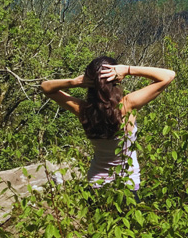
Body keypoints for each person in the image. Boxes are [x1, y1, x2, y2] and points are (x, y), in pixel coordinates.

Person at [40, 56, 175, 193]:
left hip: (95, 185)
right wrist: (127, 69)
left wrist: (75, 82)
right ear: (116, 80)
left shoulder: (83, 110)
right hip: (126, 186)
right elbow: (168, 75)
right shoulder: (127, 106)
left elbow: (46, 87)